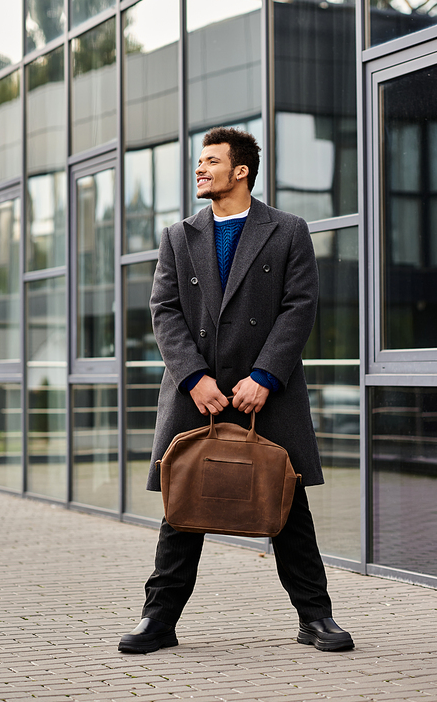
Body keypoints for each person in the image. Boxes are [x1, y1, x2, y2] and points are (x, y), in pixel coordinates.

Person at [118, 127, 354, 654]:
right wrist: (195, 379)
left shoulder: (288, 230)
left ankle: (316, 618)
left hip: (266, 392)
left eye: (210, 162)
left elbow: (300, 306)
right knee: (184, 508)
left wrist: (266, 377)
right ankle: (158, 620)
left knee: (288, 506)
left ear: (240, 171)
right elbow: (165, 310)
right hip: (196, 391)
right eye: (198, 163)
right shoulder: (179, 236)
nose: (199, 170)